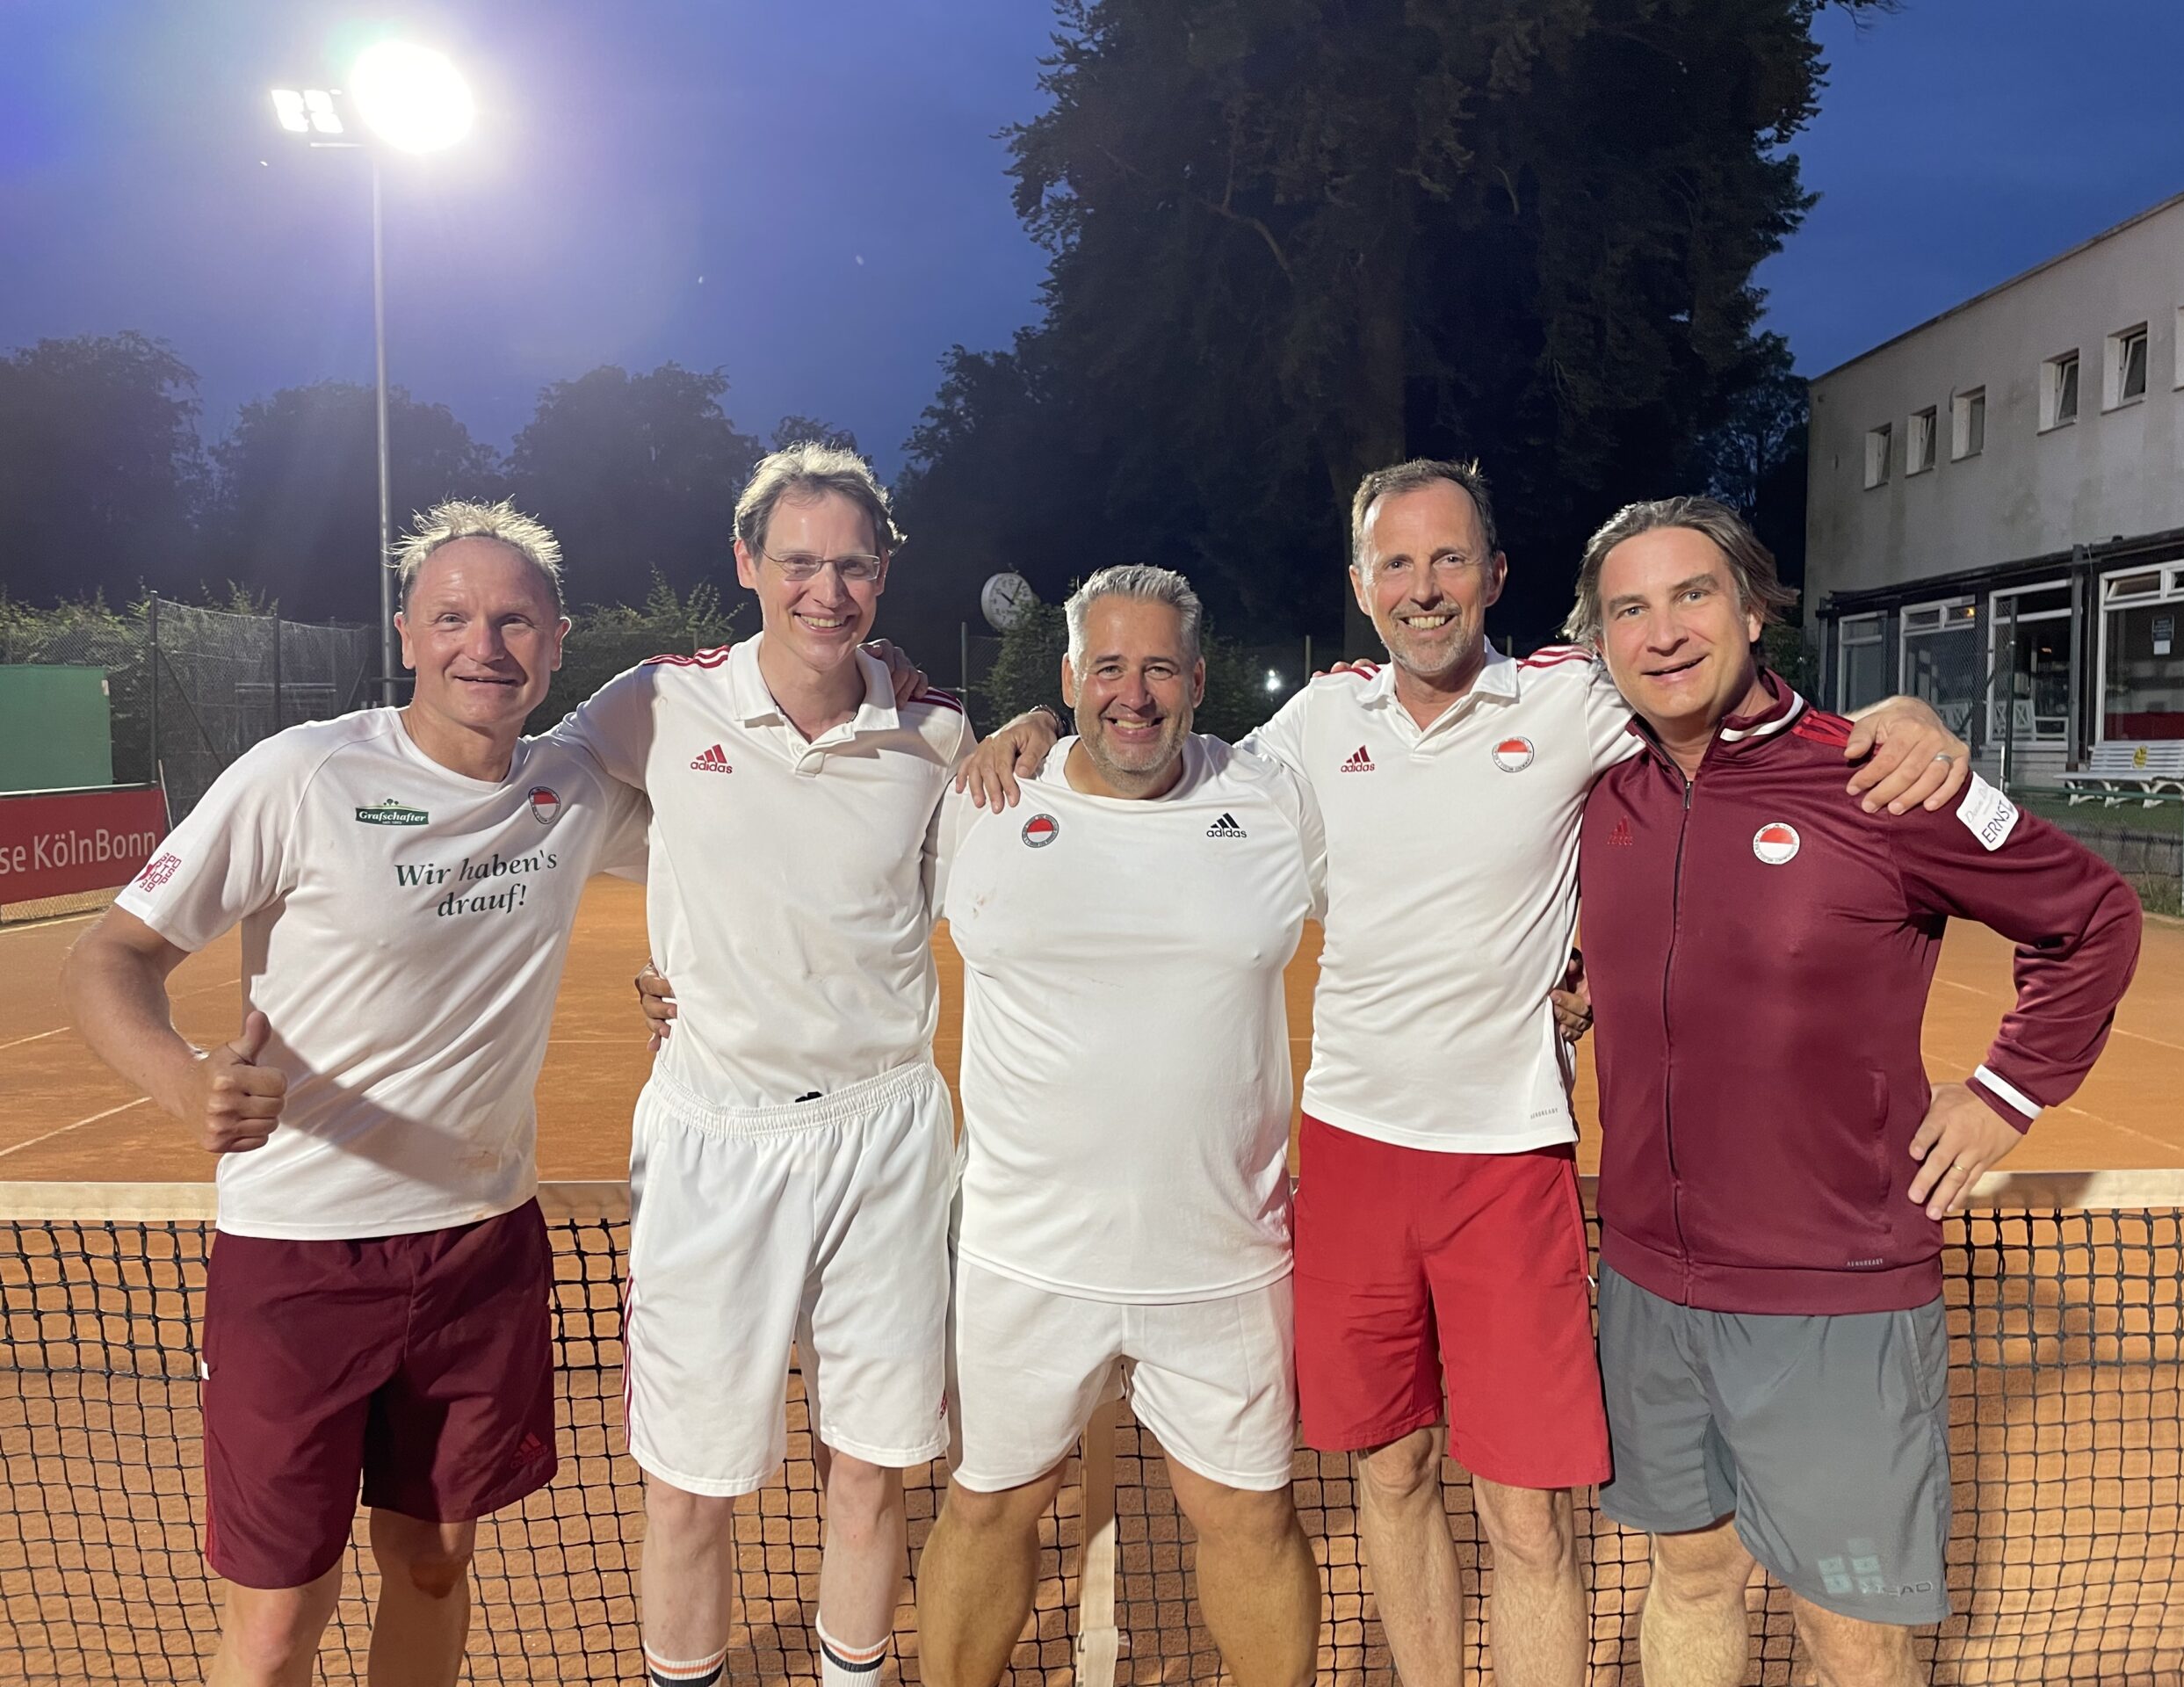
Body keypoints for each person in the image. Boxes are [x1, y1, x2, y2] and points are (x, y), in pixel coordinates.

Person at [958, 459, 1969, 1687]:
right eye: (1397, 563)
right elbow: (1158, 760)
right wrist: (1038, 727)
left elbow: (1716, 695)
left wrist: (1900, 714)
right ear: (1361, 585)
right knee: (1391, 1476)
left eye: (1449, 561)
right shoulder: (1316, 726)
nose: (1424, 589)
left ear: (1495, 577)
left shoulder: (1573, 699)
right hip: (1346, 1157)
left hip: (1508, 1163)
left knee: (1529, 1515)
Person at [60, 502, 649, 1687]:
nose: (484, 643)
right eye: (453, 616)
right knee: (279, 1617)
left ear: (556, 639)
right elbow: (107, 960)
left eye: (514, 620)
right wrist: (187, 1087)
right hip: (299, 1258)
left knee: (435, 1563)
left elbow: (753, 838)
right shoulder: (304, 773)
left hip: (481, 1249)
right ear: (407, 633)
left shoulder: (574, 789)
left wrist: (702, 973)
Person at [1567, 497, 2142, 1687]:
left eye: (1693, 595)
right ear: (1596, 637)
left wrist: (2007, 1090)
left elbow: (2091, 915)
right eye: (1630, 607)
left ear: (1753, 608)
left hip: (1835, 1292)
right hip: (1647, 1282)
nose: (1663, 631)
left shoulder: (1880, 775)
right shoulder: (1597, 787)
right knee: (1690, 1577)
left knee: (1851, 1633)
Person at [547, 442, 971, 1687]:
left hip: (887, 1135)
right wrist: (679, 933)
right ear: (747, 564)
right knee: (687, 1491)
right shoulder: (658, 700)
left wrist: (1040, 718)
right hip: (712, 1138)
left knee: (870, 1471)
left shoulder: (936, 730)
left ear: (883, 574)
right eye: (798, 563)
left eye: (851, 566)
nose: (824, 592)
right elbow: (544, 800)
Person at [916, 566, 1324, 1685]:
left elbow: (1418, 906)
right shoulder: (980, 802)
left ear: (1198, 678)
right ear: (1066, 679)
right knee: (993, 1506)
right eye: (1106, 667)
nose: (1130, 695)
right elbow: (825, 914)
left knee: (1248, 1519)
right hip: (1025, 1257)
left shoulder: (1276, 799)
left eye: (1157, 668)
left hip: (1225, 1259)